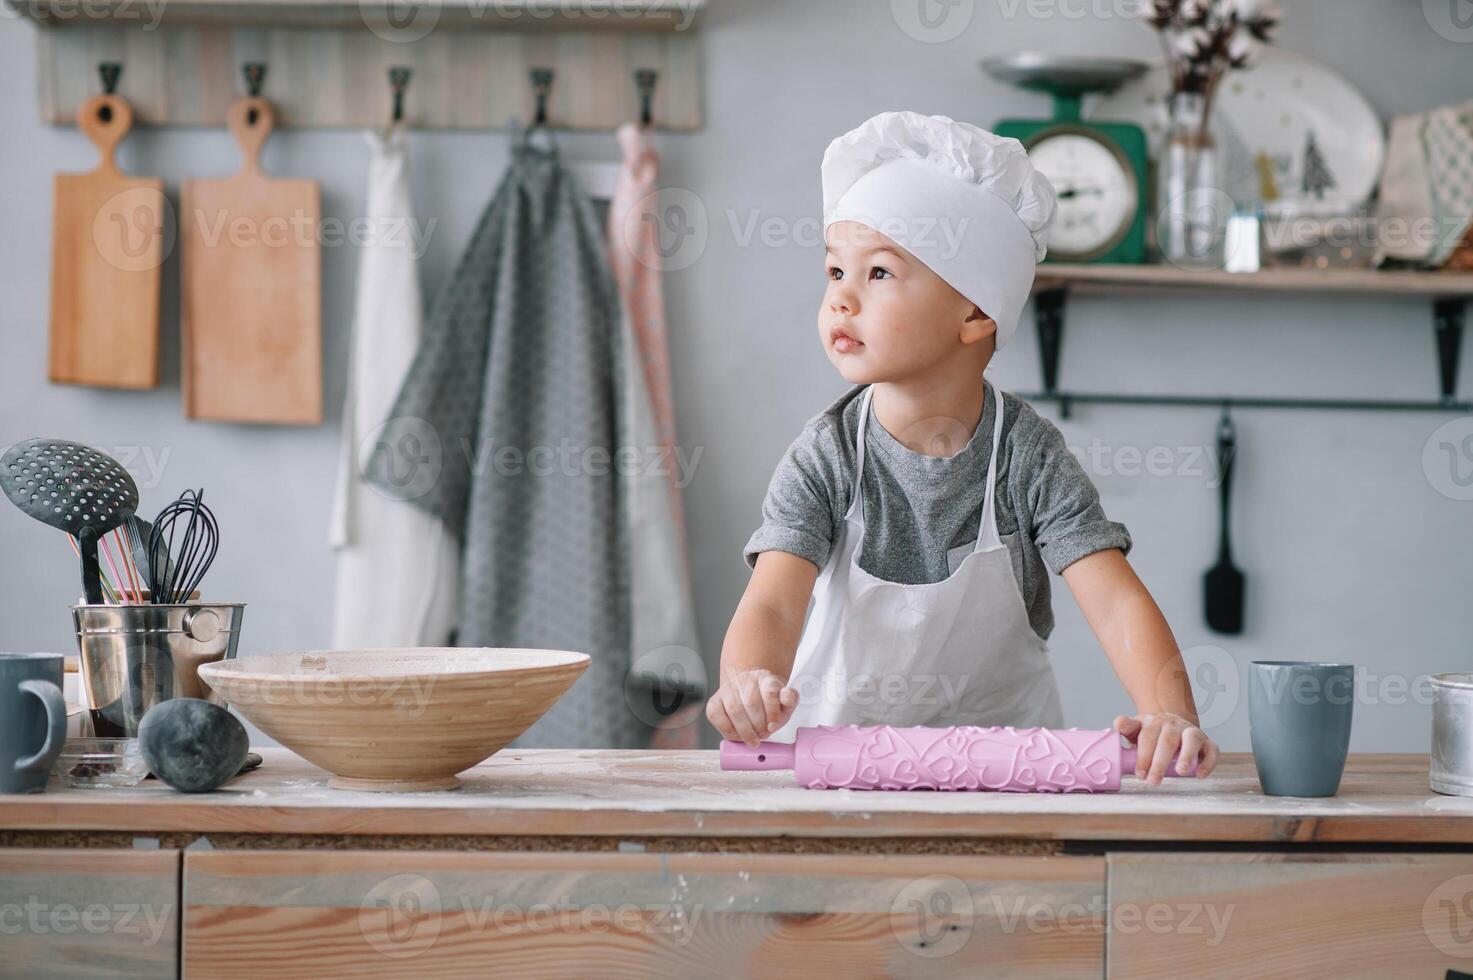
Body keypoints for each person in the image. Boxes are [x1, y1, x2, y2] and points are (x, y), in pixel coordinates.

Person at [706, 110, 1219, 785]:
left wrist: (1168, 713)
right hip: (834, 777)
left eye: (879, 274)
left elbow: (1113, 598)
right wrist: (749, 681)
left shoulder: (1028, 458)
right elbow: (773, 600)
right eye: (834, 272)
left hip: (1006, 780)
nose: (841, 300)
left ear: (975, 312)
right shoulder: (825, 455)